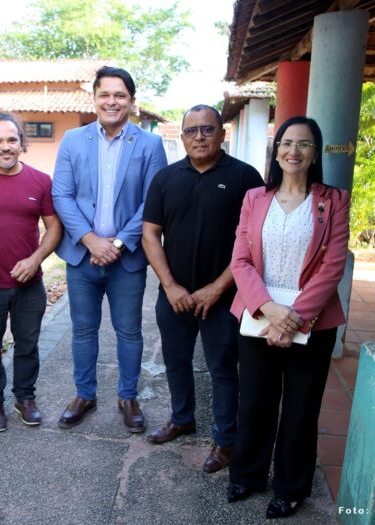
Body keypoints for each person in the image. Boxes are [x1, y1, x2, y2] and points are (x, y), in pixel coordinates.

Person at [226, 116, 350, 519]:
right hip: (258, 316)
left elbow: (332, 267)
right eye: (286, 142)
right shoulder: (254, 198)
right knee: (256, 402)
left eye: (304, 144)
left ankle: (291, 487)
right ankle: (247, 475)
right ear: (275, 148)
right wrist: (269, 310)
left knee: (300, 409)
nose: (293, 151)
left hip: (312, 323)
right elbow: (241, 261)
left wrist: (294, 318)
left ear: (315, 153)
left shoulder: (334, 201)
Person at [142, 105, 264, 472]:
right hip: (174, 296)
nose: (199, 136)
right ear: (181, 137)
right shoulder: (165, 178)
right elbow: (150, 234)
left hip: (224, 297)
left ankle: (226, 440)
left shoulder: (246, 178)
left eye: (207, 129)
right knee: (175, 363)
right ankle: (182, 419)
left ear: (221, 133)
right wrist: (170, 285)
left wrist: (216, 287)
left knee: (223, 369)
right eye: (191, 131)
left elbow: (254, 242)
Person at [52, 66, 167, 433]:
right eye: (105, 94)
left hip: (127, 258)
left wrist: (116, 243)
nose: (112, 101)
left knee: (129, 331)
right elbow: (62, 195)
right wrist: (90, 240)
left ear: (132, 101)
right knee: (83, 330)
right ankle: (84, 394)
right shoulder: (73, 140)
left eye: (120, 95)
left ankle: (128, 396)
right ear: (95, 98)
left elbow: (153, 202)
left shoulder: (149, 144)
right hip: (81, 257)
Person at [0, 113, 62, 431]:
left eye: (11, 140)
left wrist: (36, 259)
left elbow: (54, 226)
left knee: (28, 344)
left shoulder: (40, 180)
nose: (5, 147)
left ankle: (25, 398)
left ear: (22, 142)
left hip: (29, 285)